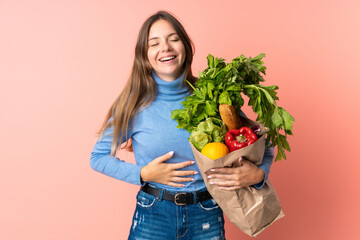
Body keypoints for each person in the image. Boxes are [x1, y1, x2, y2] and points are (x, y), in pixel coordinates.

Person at [90, 10, 274, 240]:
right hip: (153, 214)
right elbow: (98, 158)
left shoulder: (213, 96)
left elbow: (261, 145)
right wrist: (144, 173)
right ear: (144, 55)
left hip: (207, 213)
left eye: (173, 39)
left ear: (185, 46)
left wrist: (258, 176)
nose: (165, 47)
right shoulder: (133, 104)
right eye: (154, 43)